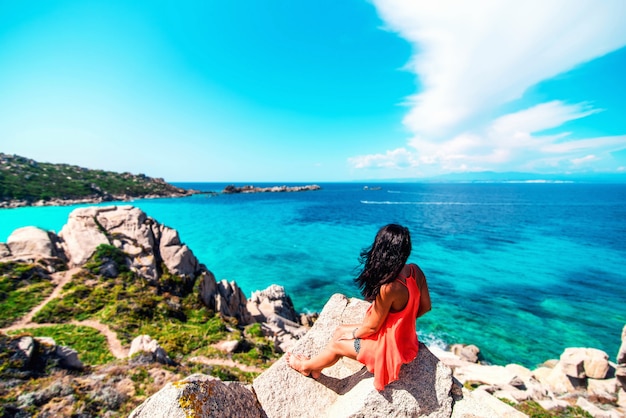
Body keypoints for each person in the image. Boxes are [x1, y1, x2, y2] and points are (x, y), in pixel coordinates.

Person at [287, 223, 432, 391]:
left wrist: (353, 334)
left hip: (388, 351)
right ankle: (317, 367)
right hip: (406, 341)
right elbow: (426, 307)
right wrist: (402, 322)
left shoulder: (389, 287)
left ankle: (306, 367)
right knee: (340, 329)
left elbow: (372, 327)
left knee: (337, 344)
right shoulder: (415, 271)